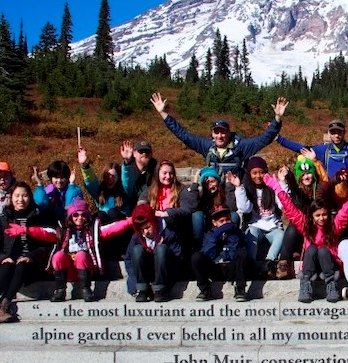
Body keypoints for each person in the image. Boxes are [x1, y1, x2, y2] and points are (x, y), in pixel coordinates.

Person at [265, 172, 348, 303]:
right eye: (318, 215)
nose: (322, 218)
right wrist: (277, 188)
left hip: (330, 265)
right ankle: (306, 284)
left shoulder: (335, 225)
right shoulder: (306, 225)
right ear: (312, 216)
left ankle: (331, 285)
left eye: (324, 214)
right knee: (311, 249)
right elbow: (290, 209)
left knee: (323, 250)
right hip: (312, 266)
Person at [152, 92, 287, 176]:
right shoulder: (206, 146)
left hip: (234, 193)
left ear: (229, 133)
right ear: (212, 134)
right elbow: (183, 134)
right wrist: (164, 114)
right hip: (213, 191)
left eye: (223, 133)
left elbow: (265, 138)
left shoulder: (241, 147)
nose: (220, 136)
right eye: (216, 133)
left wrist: (277, 119)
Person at [0, 182, 56, 325]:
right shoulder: (4, 219)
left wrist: (31, 256)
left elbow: (46, 246)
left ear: (30, 198)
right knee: (7, 265)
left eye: (24, 195)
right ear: (11, 197)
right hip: (7, 261)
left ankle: (5, 305)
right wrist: (2, 257)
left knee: (21, 265)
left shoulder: (37, 217)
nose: (20, 199)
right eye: (17, 196)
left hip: (30, 263)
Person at [48, 200, 133, 302]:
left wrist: (130, 221)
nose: (79, 218)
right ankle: (60, 290)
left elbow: (112, 228)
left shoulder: (93, 229)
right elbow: (42, 233)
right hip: (68, 271)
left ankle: (86, 289)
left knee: (81, 255)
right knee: (58, 256)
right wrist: (26, 230)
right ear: (70, 216)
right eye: (75, 215)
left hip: (87, 269)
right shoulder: (63, 230)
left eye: (83, 215)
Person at [274, 152, 328, 279]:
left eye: (309, 173)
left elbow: (328, 182)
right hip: (301, 227)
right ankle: (284, 262)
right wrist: (287, 177)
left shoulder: (319, 189)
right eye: (303, 175)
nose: (306, 177)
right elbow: (291, 188)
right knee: (292, 228)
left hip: (318, 227)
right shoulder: (296, 191)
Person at [235, 156, 285, 278]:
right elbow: (244, 208)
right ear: (249, 174)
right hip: (255, 227)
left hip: (272, 228)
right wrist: (239, 187)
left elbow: (283, 204)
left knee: (281, 234)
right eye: (254, 173)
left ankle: (269, 263)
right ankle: (251, 263)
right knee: (251, 232)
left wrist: (281, 183)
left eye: (261, 172)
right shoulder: (246, 189)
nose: (258, 176)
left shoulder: (272, 187)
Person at [127, 203, 182, 303]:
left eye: (148, 227)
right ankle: (142, 289)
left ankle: (160, 289)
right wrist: (134, 283)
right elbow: (129, 260)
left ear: (154, 222)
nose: (146, 232)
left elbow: (177, 259)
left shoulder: (167, 233)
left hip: (164, 273)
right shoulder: (136, 237)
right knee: (137, 250)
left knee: (161, 249)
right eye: (142, 229)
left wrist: (169, 283)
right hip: (146, 272)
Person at [191, 205, 248, 301]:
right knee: (196, 257)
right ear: (214, 223)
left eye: (227, 220)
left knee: (241, 252)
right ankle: (205, 290)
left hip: (230, 267)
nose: (225, 223)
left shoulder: (236, 232)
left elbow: (235, 252)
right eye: (222, 221)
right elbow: (209, 254)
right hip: (215, 268)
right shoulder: (210, 234)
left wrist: (230, 235)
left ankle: (240, 289)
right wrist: (217, 235)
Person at [79, 147, 131, 222]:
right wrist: (84, 165)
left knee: (113, 212)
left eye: (113, 176)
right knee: (100, 215)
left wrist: (127, 161)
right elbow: (91, 182)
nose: (110, 178)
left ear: (118, 177)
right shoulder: (100, 191)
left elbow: (127, 178)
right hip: (104, 226)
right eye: (107, 175)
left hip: (120, 223)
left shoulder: (124, 189)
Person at [33, 160, 83, 224]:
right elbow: (41, 205)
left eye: (62, 177)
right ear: (51, 178)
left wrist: (71, 184)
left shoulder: (74, 190)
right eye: (56, 177)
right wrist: (39, 184)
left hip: (69, 223)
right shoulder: (47, 190)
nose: (59, 181)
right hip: (50, 223)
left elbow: (69, 207)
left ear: (68, 177)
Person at [121, 140, 157, 204]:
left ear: (151, 154)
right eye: (141, 151)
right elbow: (127, 186)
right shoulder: (127, 168)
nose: (144, 153)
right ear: (134, 154)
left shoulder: (156, 169)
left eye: (147, 151)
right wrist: (127, 161)